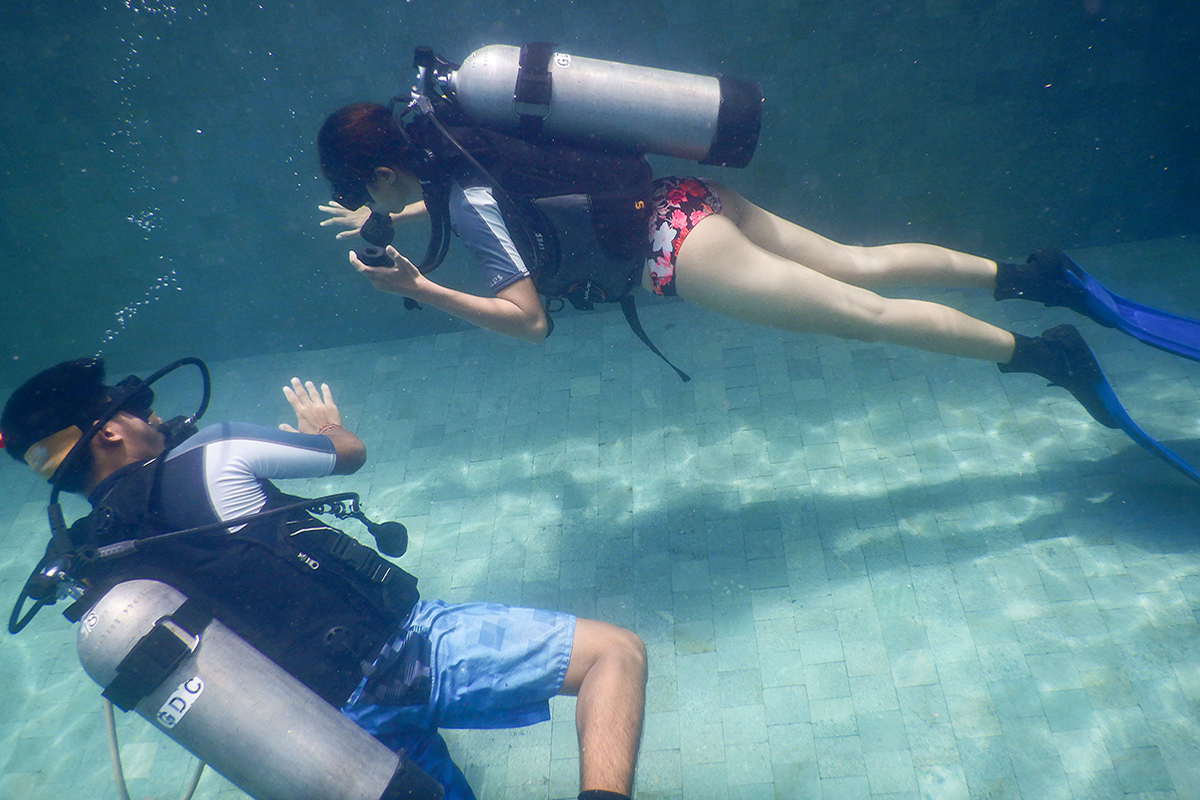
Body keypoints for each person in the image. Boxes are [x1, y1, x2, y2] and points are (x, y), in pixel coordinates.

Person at [0, 357, 646, 800]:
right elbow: (350, 454)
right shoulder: (214, 451)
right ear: (110, 431)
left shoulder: (95, 570)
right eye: (137, 413)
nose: (153, 418)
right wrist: (324, 429)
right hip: (402, 652)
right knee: (613, 655)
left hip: (321, 731)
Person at [316, 102, 1123, 429]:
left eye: (367, 192)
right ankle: (1032, 276)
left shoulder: (462, 197)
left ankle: (1052, 356)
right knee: (860, 263)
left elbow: (528, 323)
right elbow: (505, 191)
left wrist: (420, 285)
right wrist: (396, 211)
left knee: (867, 318)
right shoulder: (458, 134)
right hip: (680, 196)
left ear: (381, 174)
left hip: (676, 249)